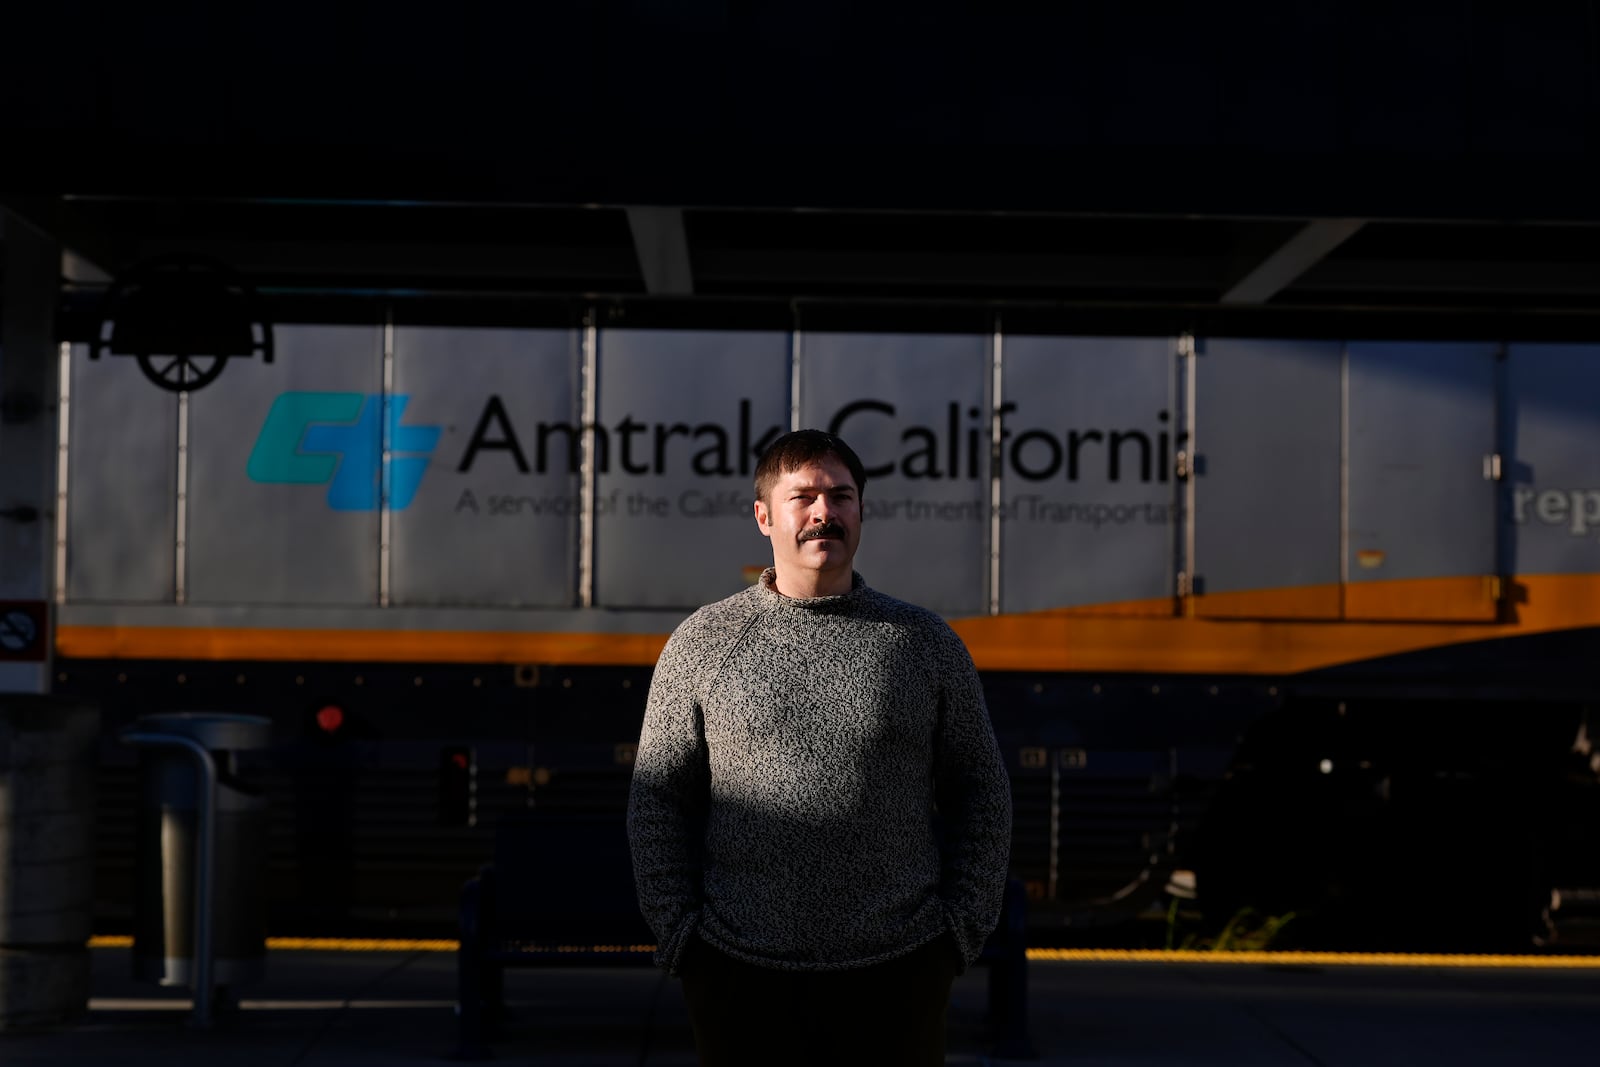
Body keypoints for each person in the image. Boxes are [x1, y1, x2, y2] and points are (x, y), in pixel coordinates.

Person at [627, 428, 1013, 1066]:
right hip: (738, 979)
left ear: (862, 511)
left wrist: (956, 935)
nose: (823, 513)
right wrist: (683, 940)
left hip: (899, 977)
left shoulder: (923, 643)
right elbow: (657, 800)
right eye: (803, 496)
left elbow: (981, 789)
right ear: (763, 515)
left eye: (841, 495)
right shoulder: (703, 643)